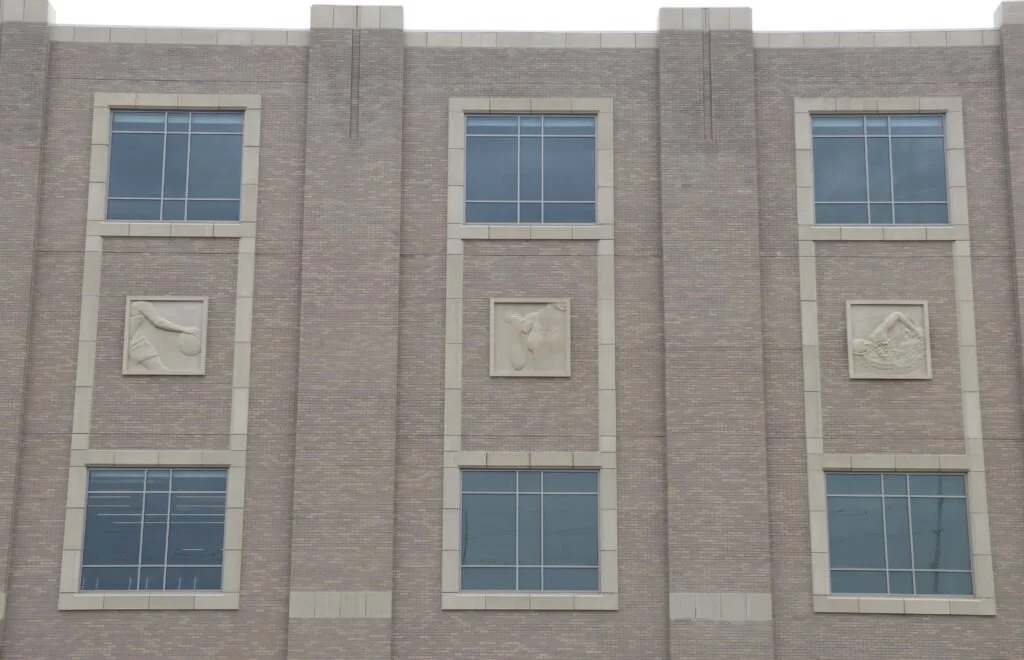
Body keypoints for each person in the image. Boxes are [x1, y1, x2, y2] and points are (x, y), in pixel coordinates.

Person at [127, 301, 201, 372]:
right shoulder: (143, 304)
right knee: (160, 371)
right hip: (135, 346)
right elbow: (158, 322)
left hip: (135, 345)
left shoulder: (136, 304)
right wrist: (183, 329)